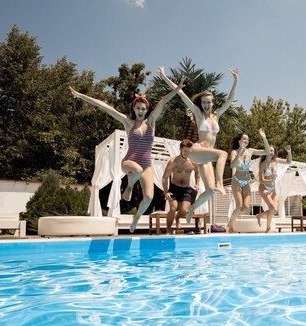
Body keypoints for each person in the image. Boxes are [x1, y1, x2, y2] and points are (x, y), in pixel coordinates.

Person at [69, 72, 185, 232]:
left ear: (147, 109)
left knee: (149, 197)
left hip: (146, 165)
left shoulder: (151, 122)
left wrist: (178, 88)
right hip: (129, 162)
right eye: (138, 108)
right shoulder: (128, 123)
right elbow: (105, 107)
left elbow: (163, 101)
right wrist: (81, 96)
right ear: (134, 108)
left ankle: (136, 217)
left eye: (143, 108)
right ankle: (129, 186)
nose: (140, 110)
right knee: (136, 170)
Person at [158, 66, 238, 222]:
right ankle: (220, 183)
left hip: (206, 157)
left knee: (209, 191)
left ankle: (192, 209)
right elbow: (181, 94)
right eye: (204, 102)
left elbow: (229, 100)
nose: (206, 104)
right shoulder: (198, 113)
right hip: (198, 150)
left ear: (212, 103)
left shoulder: (217, 115)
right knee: (223, 154)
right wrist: (164, 77)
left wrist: (236, 80)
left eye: (209, 102)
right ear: (201, 103)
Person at [225, 130, 271, 233]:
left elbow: (267, 152)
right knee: (239, 205)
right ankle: (231, 226)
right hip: (236, 180)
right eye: (244, 139)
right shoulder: (234, 152)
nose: (246, 141)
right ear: (239, 140)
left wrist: (264, 137)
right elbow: (232, 166)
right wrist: (239, 153)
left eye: (247, 139)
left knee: (245, 207)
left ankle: (231, 220)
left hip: (246, 181)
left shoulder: (250, 151)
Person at [255, 130, 292, 233]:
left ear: (274, 153)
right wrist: (271, 177)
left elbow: (289, 161)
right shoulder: (263, 164)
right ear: (267, 151)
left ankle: (260, 217)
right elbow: (261, 180)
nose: (271, 152)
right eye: (269, 150)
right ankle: (268, 228)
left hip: (273, 188)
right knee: (271, 207)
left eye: (272, 151)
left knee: (274, 209)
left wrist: (289, 152)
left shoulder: (276, 161)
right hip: (264, 188)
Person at [162, 139, 200, 234]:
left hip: (186, 189)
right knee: (173, 208)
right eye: (185, 150)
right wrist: (166, 191)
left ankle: (177, 218)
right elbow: (164, 177)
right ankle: (169, 228)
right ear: (180, 149)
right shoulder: (173, 161)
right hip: (174, 188)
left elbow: (197, 172)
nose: (186, 153)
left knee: (184, 211)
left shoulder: (193, 162)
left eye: (188, 151)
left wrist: (197, 183)